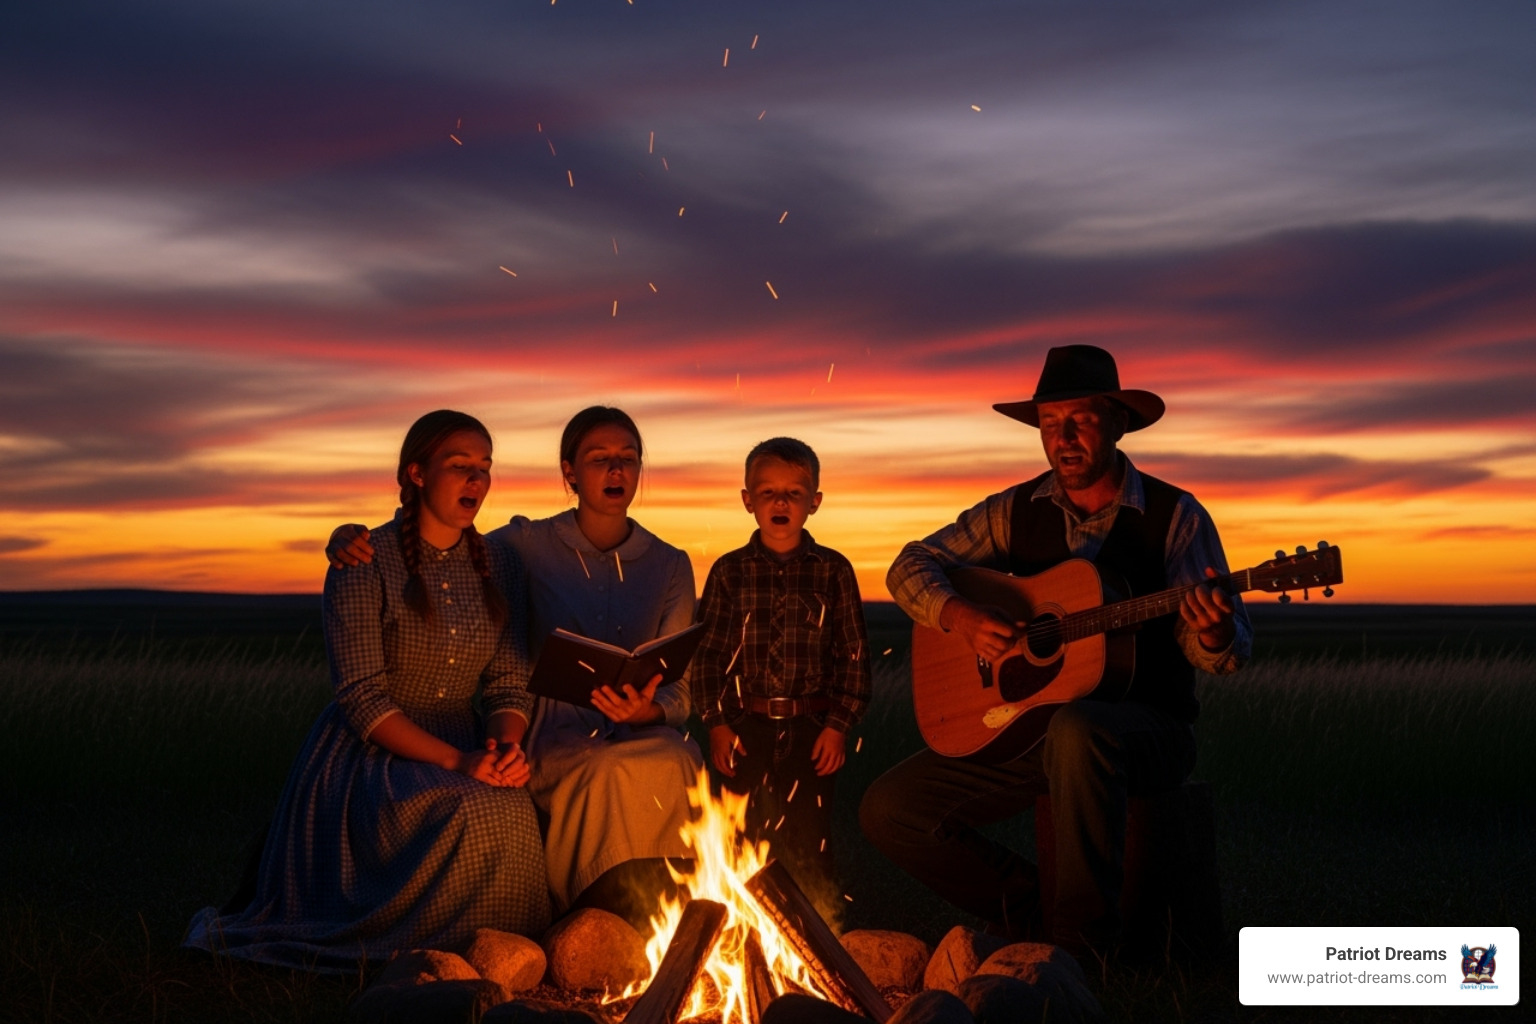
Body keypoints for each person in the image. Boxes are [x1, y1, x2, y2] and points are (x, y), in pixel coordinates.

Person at [859, 345, 1252, 957]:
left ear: (1118, 424)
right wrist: (959, 616)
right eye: (1048, 424)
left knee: (1077, 728)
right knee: (890, 810)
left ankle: (1085, 954)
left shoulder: (1177, 517)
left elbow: (1225, 654)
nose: (1062, 438)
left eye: (1081, 420)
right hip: (1030, 732)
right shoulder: (1012, 511)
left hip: (1147, 731)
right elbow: (910, 565)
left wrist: (1213, 632)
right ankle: (1031, 913)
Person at [186, 410, 551, 970]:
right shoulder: (363, 559)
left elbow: (507, 681)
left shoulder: (499, 563)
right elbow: (362, 698)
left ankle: (499, 954)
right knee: (469, 809)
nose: (477, 481)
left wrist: (504, 748)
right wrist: (459, 761)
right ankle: (419, 950)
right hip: (375, 752)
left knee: (511, 805)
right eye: (460, 467)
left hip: (466, 736)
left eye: (484, 468)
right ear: (417, 473)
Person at [327, 407, 700, 924]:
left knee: (677, 757)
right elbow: (433, 539)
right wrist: (347, 534)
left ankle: (665, 910)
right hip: (542, 729)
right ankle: (591, 916)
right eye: (600, 459)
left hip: (612, 726)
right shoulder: (521, 547)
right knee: (601, 771)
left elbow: (679, 688)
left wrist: (647, 712)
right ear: (569, 471)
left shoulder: (669, 562)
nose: (616, 470)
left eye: (628, 459)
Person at [691, 437, 871, 909]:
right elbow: (707, 654)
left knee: (808, 836)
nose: (780, 502)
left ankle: (818, 929)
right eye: (767, 492)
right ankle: (739, 926)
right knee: (742, 830)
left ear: (814, 502)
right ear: (748, 500)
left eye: (794, 492)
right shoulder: (730, 572)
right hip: (744, 727)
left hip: (812, 727)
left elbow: (853, 655)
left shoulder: (833, 571)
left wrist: (838, 726)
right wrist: (717, 723)